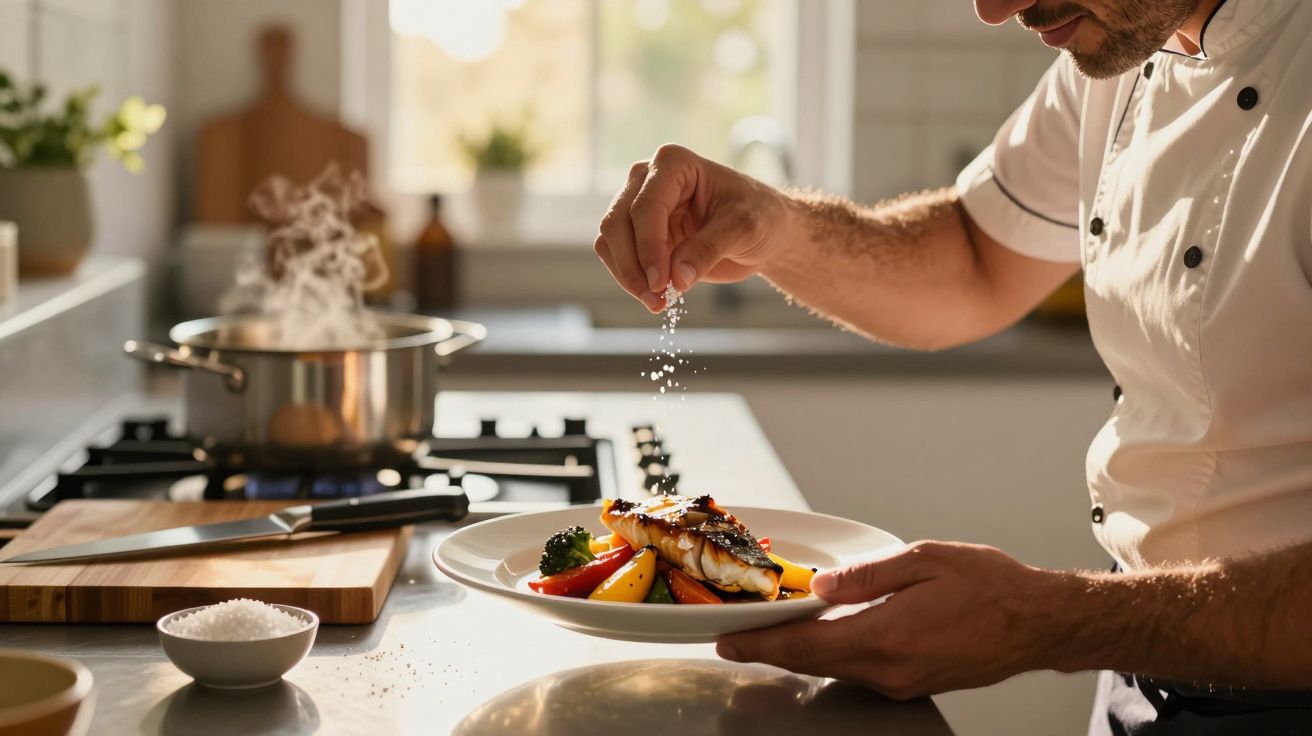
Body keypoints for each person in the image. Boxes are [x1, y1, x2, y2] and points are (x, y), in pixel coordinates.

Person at [592, 0, 1312, 732]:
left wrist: (1050, 620)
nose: (995, 9)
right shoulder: (1119, 51)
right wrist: (777, 228)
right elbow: (976, 256)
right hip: (1133, 679)